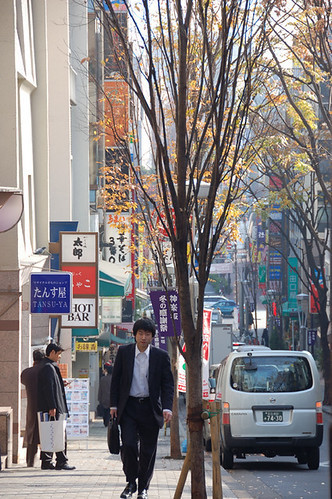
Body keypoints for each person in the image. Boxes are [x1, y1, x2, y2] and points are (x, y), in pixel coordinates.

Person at [110, 318, 174, 499]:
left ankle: (143, 488)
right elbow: (116, 380)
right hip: (128, 407)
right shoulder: (124, 352)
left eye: (147, 334)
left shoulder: (161, 356)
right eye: (140, 333)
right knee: (129, 445)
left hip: (150, 408)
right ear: (135, 335)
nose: (143, 337)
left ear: (152, 336)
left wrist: (167, 407)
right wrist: (113, 405)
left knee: (148, 450)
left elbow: (167, 384)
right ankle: (131, 482)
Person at [37, 342, 75, 471]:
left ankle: (48, 461)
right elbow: (48, 388)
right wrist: (52, 406)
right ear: (52, 352)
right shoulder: (48, 367)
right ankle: (61, 461)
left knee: (50, 433)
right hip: (54, 407)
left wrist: (61, 383)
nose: (59, 357)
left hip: (53, 406)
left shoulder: (48, 366)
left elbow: (52, 385)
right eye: (58, 354)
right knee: (58, 434)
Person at [21, 349, 45, 467]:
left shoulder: (26, 373)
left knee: (31, 436)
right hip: (46, 407)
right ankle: (46, 460)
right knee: (46, 435)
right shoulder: (47, 371)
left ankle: (30, 461)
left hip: (31, 408)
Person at [98, 361, 113, 427]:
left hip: (104, 399)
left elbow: (100, 390)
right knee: (110, 413)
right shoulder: (114, 379)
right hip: (112, 400)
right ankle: (111, 423)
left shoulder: (103, 379)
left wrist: (99, 399)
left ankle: (106, 423)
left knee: (105, 412)